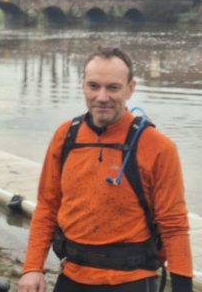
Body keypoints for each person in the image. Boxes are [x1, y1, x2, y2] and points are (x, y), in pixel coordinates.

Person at [19, 47, 192, 292]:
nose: (102, 97)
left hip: (131, 279)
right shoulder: (65, 136)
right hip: (73, 273)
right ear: (83, 85)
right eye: (94, 86)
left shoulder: (159, 147)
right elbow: (47, 206)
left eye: (113, 87)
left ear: (130, 88)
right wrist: (33, 268)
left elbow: (174, 225)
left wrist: (183, 287)